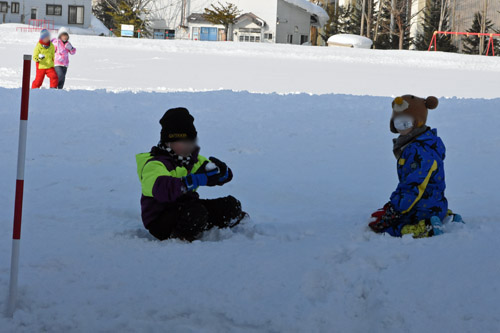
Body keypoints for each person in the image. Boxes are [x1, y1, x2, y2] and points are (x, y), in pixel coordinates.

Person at [136, 107, 247, 241]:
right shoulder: (155, 164)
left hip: (190, 209)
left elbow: (214, 172)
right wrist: (192, 181)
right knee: (196, 213)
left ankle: (217, 226)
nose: (188, 146)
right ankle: (179, 237)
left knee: (230, 205)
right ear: (169, 142)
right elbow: (162, 189)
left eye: (191, 141)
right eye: (183, 142)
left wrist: (222, 173)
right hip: (161, 220)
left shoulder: (193, 160)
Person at [369, 95, 451, 238]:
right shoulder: (422, 143)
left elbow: (413, 186)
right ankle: (444, 216)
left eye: (405, 124)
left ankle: (424, 228)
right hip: (434, 203)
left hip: (421, 208)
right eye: (397, 124)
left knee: (389, 229)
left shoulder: (418, 151)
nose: (401, 129)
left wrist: (395, 210)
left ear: (418, 123)